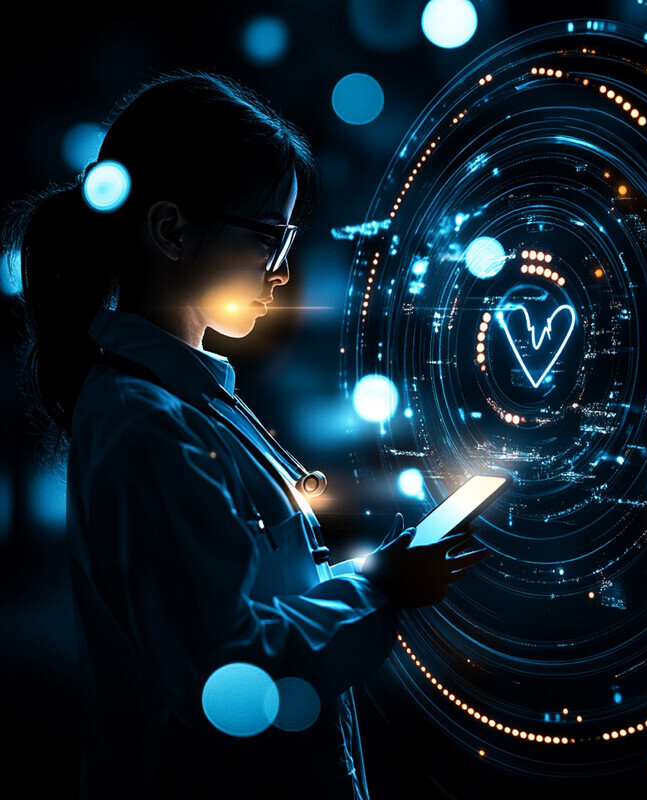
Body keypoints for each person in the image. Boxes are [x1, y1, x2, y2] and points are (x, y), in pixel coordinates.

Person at [4, 71, 487, 799]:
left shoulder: (180, 403)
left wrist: (365, 577)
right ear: (171, 231)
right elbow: (225, 672)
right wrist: (375, 588)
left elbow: (241, 608)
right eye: (268, 237)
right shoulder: (149, 425)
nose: (284, 271)